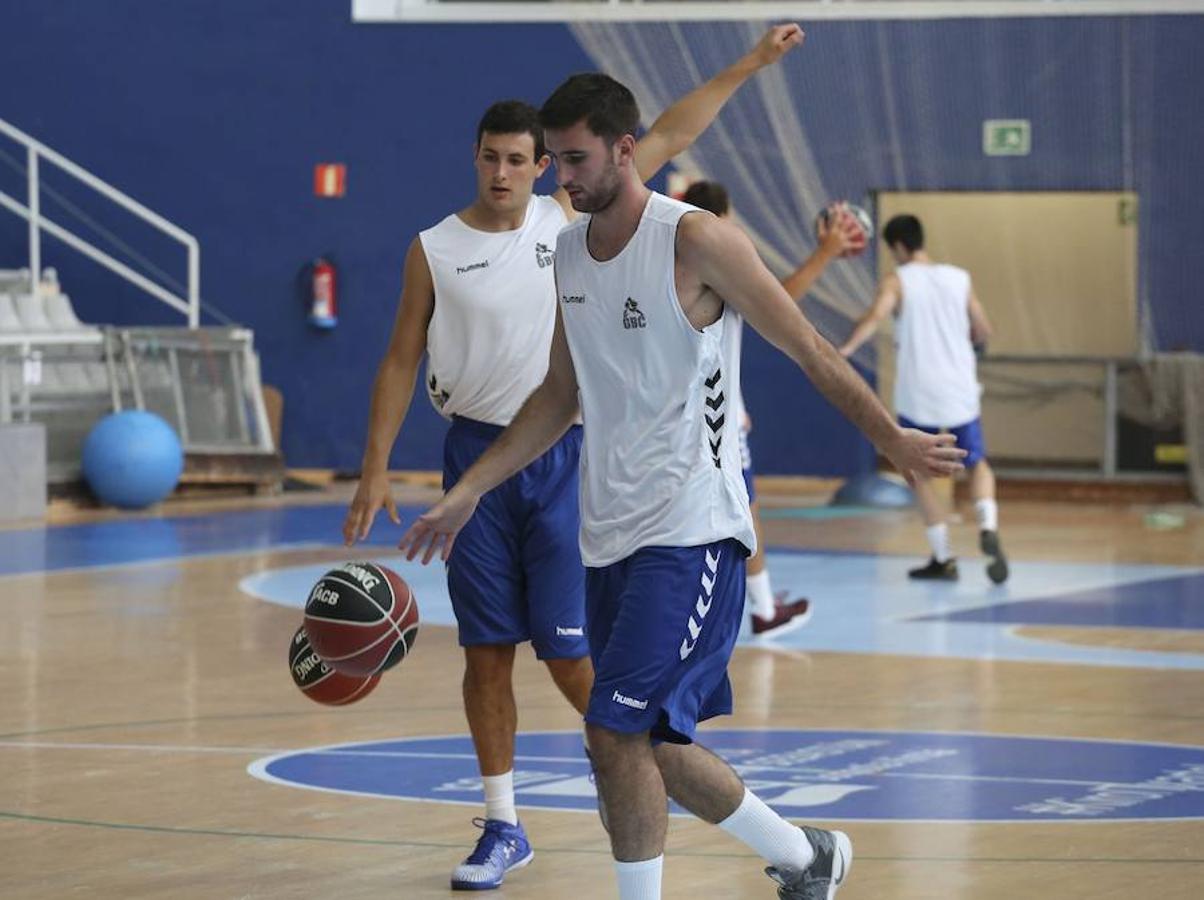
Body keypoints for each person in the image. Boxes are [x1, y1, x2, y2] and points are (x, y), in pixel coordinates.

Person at [396, 63, 965, 899]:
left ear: (626, 150)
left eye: (575, 158)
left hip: (693, 528)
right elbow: (558, 395)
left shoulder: (694, 240)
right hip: (607, 537)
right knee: (649, 742)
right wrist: (470, 487)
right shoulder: (567, 252)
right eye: (555, 158)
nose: (560, 176)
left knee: (613, 732)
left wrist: (892, 439)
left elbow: (808, 347)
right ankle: (806, 855)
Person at [341, 25, 808, 891]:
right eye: (493, 158)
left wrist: (749, 62)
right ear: (476, 158)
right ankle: (504, 824)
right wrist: (375, 466)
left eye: (523, 159)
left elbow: (674, 127)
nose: (507, 172)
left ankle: (632, 763)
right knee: (486, 651)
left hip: (569, 462)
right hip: (477, 452)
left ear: (544, 164)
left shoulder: (572, 216)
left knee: (573, 661)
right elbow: (400, 359)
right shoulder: (434, 246)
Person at [680, 180, 862, 636]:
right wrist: (826, 252)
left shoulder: (669, 259)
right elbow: (780, 299)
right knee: (745, 507)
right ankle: (762, 609)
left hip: (684, 414)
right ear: (723, 217)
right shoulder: (713, 257)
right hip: (711, 420)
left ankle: (722, 604)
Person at [838, 213, 1008, 584]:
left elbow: (875, 316)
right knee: (977, 464)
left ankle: (943, 558)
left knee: (919, 473)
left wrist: (846, 349)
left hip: (919, 393)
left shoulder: (897, 280)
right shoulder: (959, 278)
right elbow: (983, 329)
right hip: (960, 389)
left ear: (898, 246)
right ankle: (988, 525)